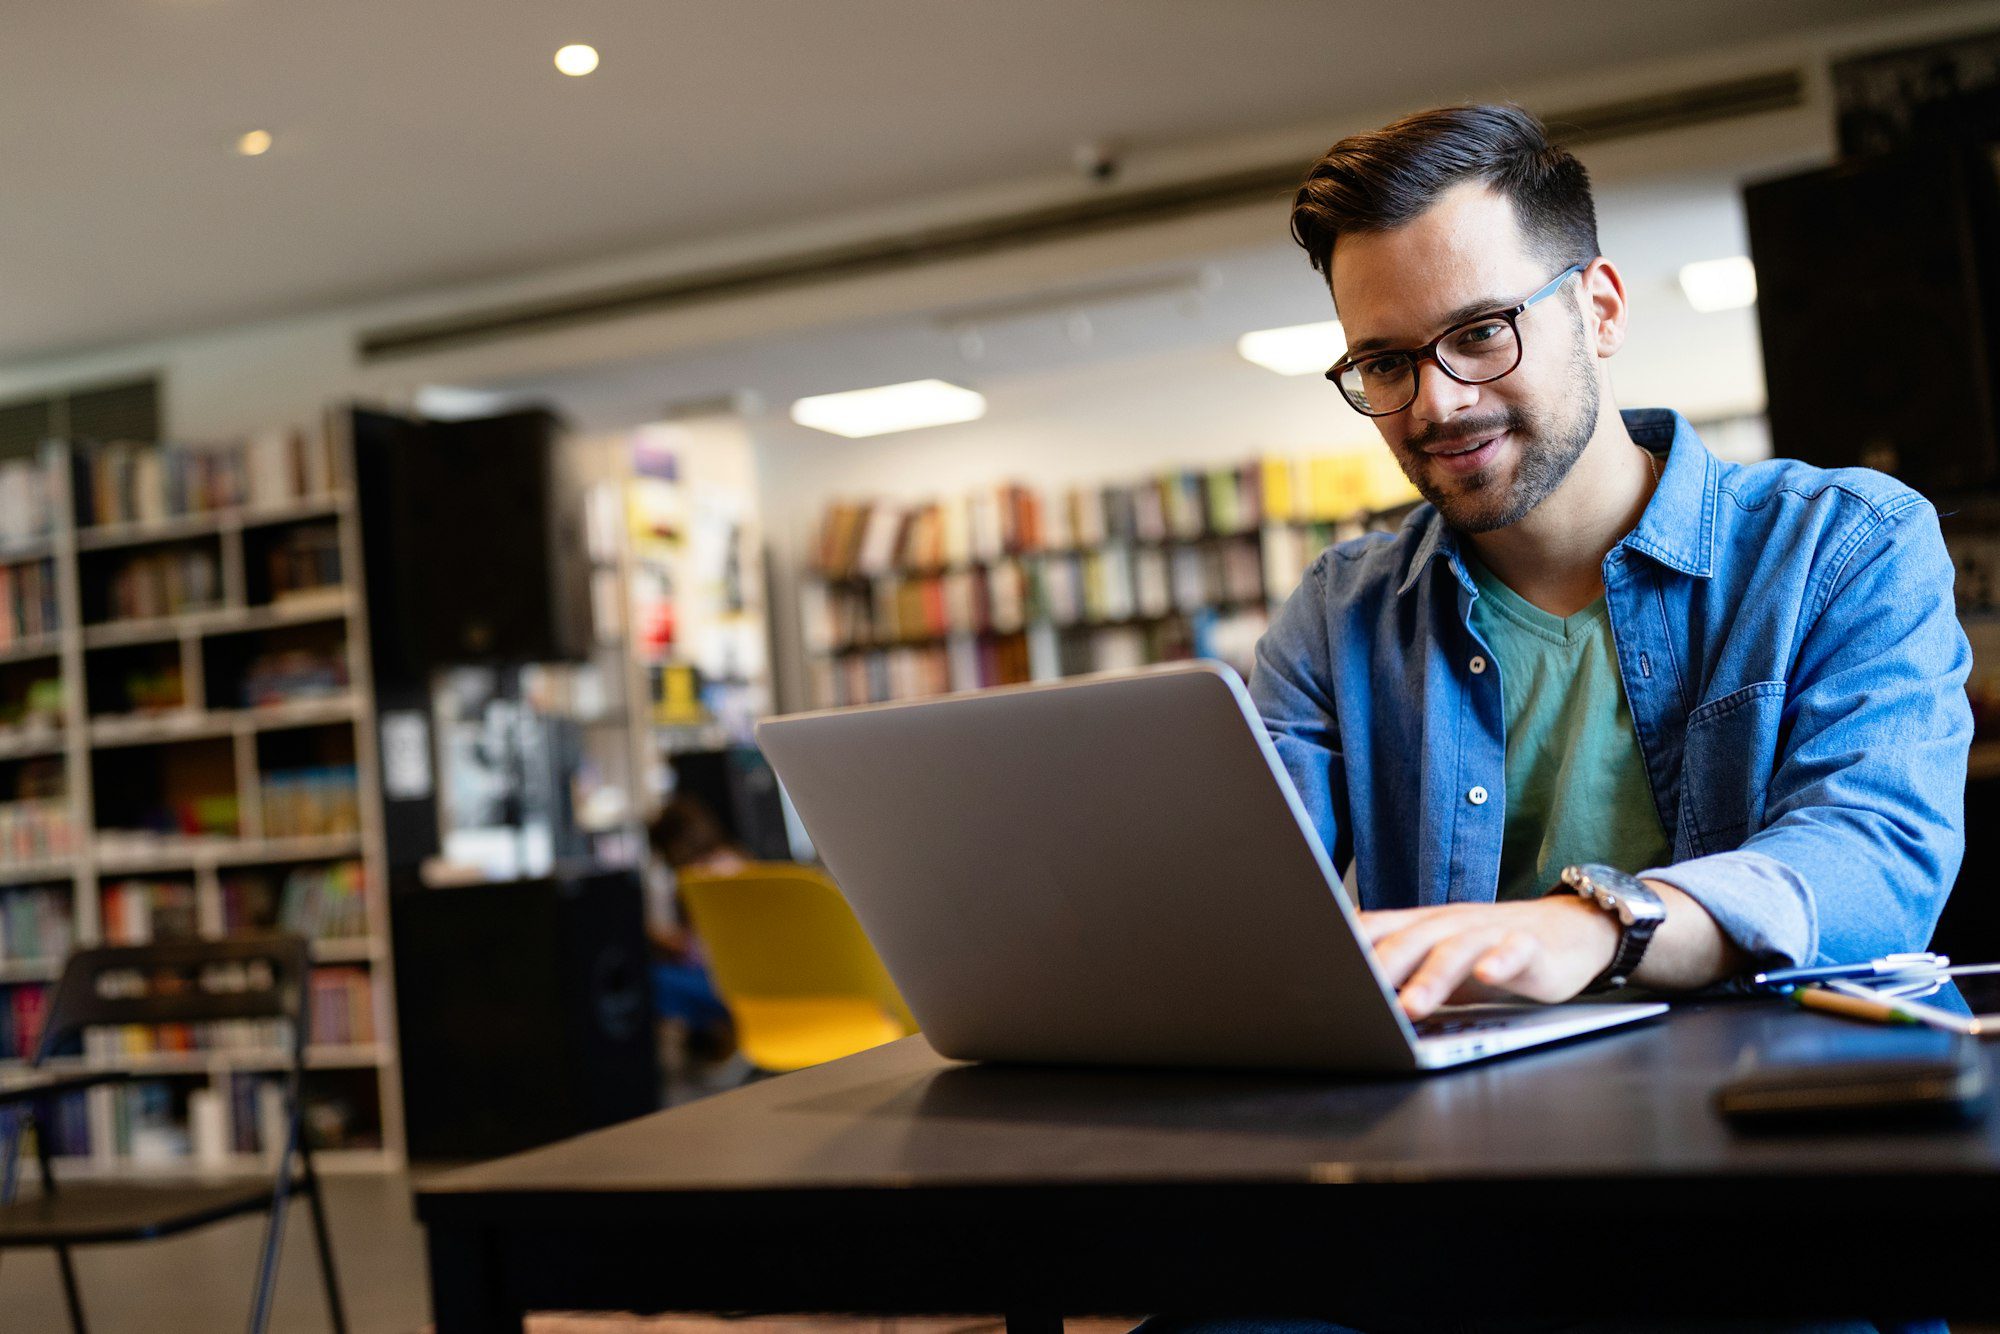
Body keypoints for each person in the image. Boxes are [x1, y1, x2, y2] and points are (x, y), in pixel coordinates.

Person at [1250, 102, 1971, 1029]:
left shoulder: (1845, 543)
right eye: (1386, 363)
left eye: (1481, 333)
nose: (1436, 403)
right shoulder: (1337, 614)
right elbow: (1242, 902)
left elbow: (1874, 855)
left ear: (1600, 311)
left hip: (1799, 1105)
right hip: (1472, 1126)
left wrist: (1595, 927)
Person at [645, 794, 742, 1061]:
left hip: (727, 985)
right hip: (765, 982)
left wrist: (650, 936)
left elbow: (697, 952)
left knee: (647, 980)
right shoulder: (736, 860)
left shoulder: (698, 880)